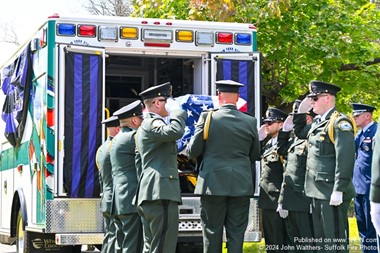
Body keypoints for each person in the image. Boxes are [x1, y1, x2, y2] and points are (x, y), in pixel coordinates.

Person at [186, 80, 261, 253]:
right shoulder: (250, 121)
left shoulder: (208, 117)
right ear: (238, 97)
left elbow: (193, 150)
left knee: (212, 231)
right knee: (236, 232)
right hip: (240, 184)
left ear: (219, 96)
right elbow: (255, 154)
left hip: (212, 184)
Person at [293, 80, 356, 252]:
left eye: (315, 98)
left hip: (330, 190)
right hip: (316, 189)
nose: (312, 102)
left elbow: (345, 157)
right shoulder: (317, 122)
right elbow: (299, 133)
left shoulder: (339, 122)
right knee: (321, 241)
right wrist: (300, 112)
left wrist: (339, 188)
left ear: (327, 98)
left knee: (334, 240)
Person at [134, 82, 187, 253]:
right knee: (163, 247)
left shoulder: (147, 124)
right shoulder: (151, 123)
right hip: (160, 191)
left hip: (153, 192)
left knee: (152, 247)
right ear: (157, 103)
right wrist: (176, 112)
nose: (169, 104)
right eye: (166, 100)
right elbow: (174, 132)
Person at [277, 99, 316, 252]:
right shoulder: (295, 140)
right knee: (294, 242)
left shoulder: (310, 139)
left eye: (296, 117)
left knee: (307, 242)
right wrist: (284, 131)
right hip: (291, 198)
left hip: (304, 199)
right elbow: (281, 152)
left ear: (307, 118)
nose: (294, 121)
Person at [110, 100, 144, 253]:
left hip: (119, 198)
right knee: (132, 244)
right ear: (135, 120)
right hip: (130, 198)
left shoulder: (116, 139)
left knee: (121, 243)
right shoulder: (133, 137)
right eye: (142, 119)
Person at [259, 107, 291, 253]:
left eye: (270, 122)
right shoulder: (268, 144)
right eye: (265, 122)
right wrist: (258, 140)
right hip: (267, 200)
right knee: (271, 243)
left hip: (278, 200)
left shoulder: (285, 145)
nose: (266, 125)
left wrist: (284, 200)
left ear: (281, 124)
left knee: (280, 242)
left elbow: (287, 173)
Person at [351, 103, 378, 253]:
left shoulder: (377, 132)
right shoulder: (359, 134)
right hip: (358, 188)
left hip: (371, 188)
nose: (354, 118)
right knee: (362, 227)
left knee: (372, 228)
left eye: (357, 115)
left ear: (367, 115)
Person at [95, 115, 120, 253]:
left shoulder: (101, 149)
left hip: (106, 196)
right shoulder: (115, 148)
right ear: (118, 129)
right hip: (115, 199)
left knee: (109, 236)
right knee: (115, 237)